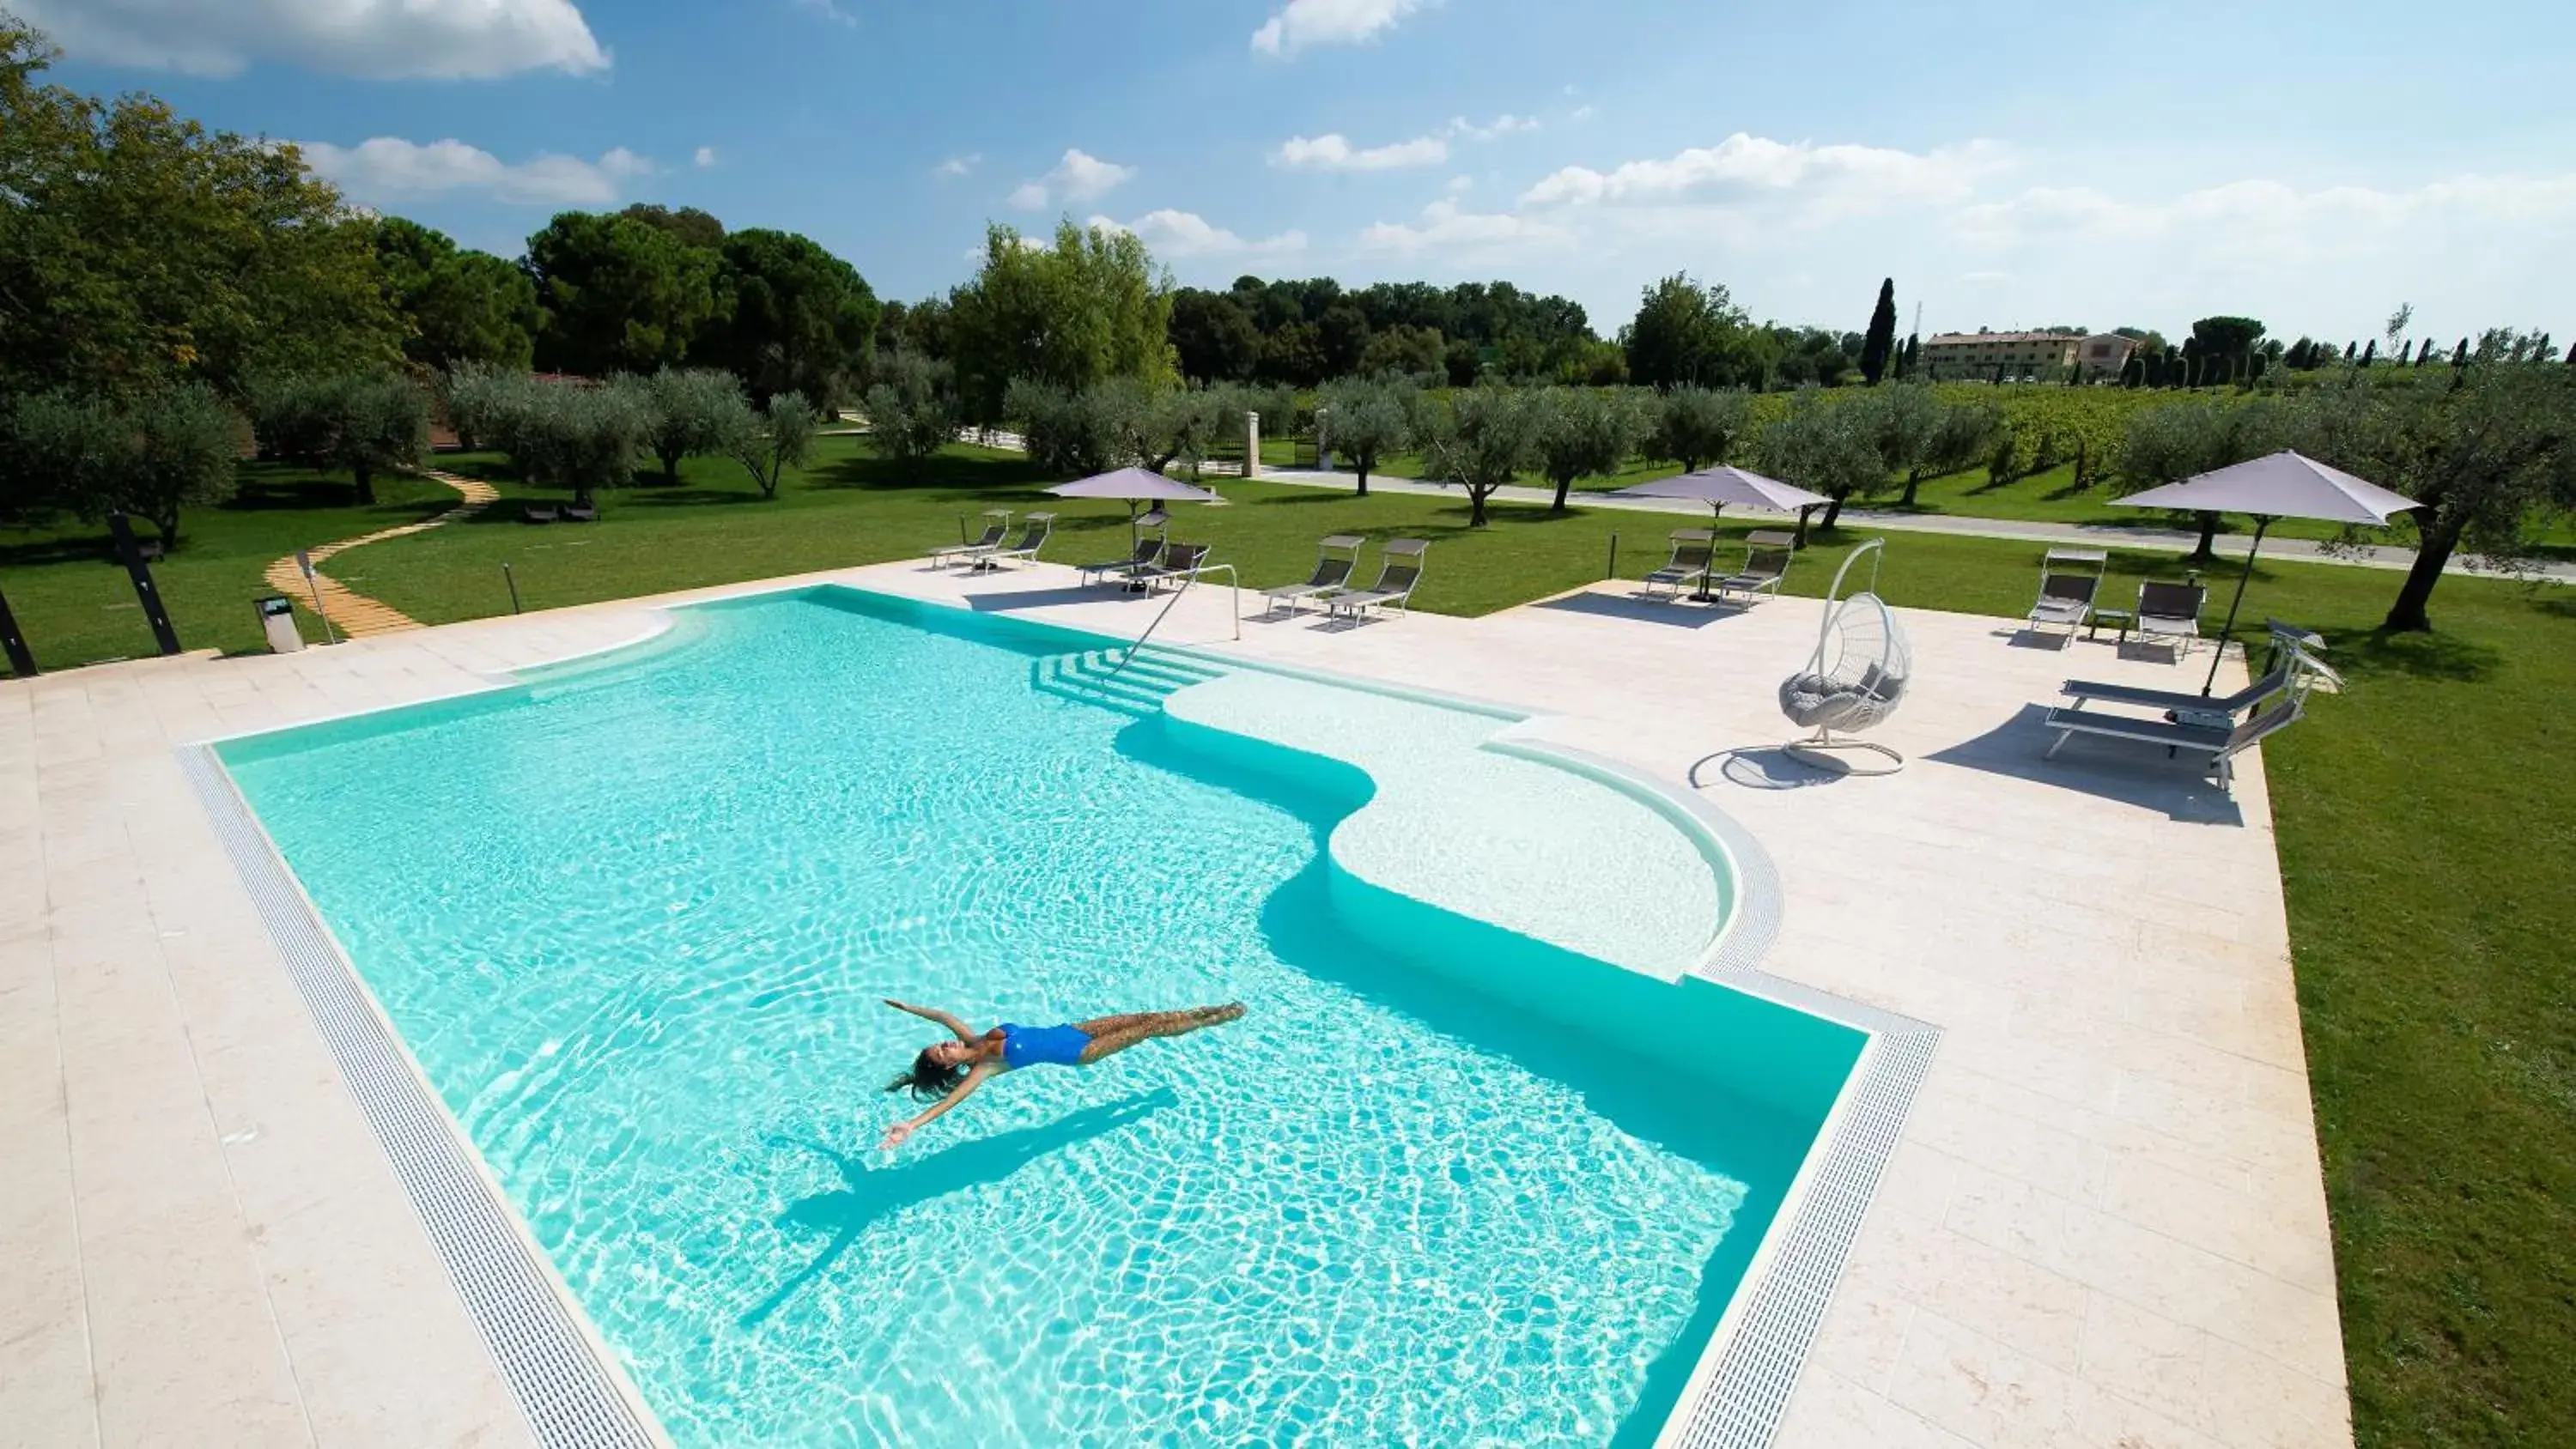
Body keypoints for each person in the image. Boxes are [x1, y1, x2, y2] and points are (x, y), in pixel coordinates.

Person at [878, 998, 1245, 1149]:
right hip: (1080, 1051)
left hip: (1073, 1029)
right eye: (940, 1052)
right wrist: (912, 1124)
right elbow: (951, 1103)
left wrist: (906, 1007)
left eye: (940, 1044)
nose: (944, 1044)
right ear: (947, 1065)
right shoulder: (985, 1067)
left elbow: (941, 1015)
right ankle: (1211, 1020)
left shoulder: (969, 1037)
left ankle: (1208, 1012)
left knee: (1143, 1018)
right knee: (1147, 1030)